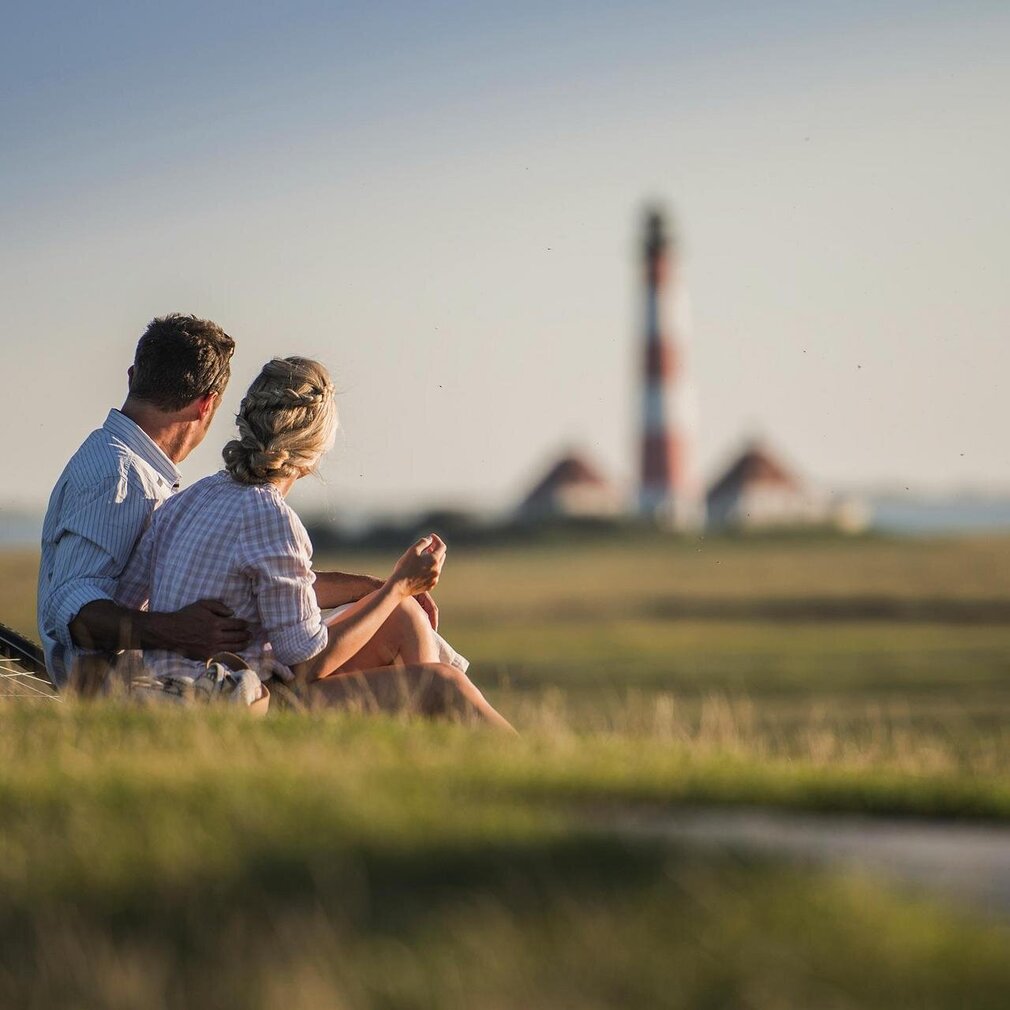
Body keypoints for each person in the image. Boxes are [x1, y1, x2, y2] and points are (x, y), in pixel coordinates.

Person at [115, 356, 514, 729]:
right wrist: (398, 586)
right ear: (315, 447)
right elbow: (307, 661)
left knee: (403, 615)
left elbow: (144, 597)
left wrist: (379, 591)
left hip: (173, 684)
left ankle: (419, 750)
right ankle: (518, 759)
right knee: (443, 683)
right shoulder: (271, 518)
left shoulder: (189, 499)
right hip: (235, 701)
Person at [37, 315, 406, 692]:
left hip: (165, 675)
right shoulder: (120, 476)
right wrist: (175, 630)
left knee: (386, 618)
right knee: (398, 634)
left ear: (132, 377)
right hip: (145, 688)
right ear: (207, 405)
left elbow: (266, 584)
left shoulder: (154, 478)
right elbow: (70, 607)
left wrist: (373, 587)